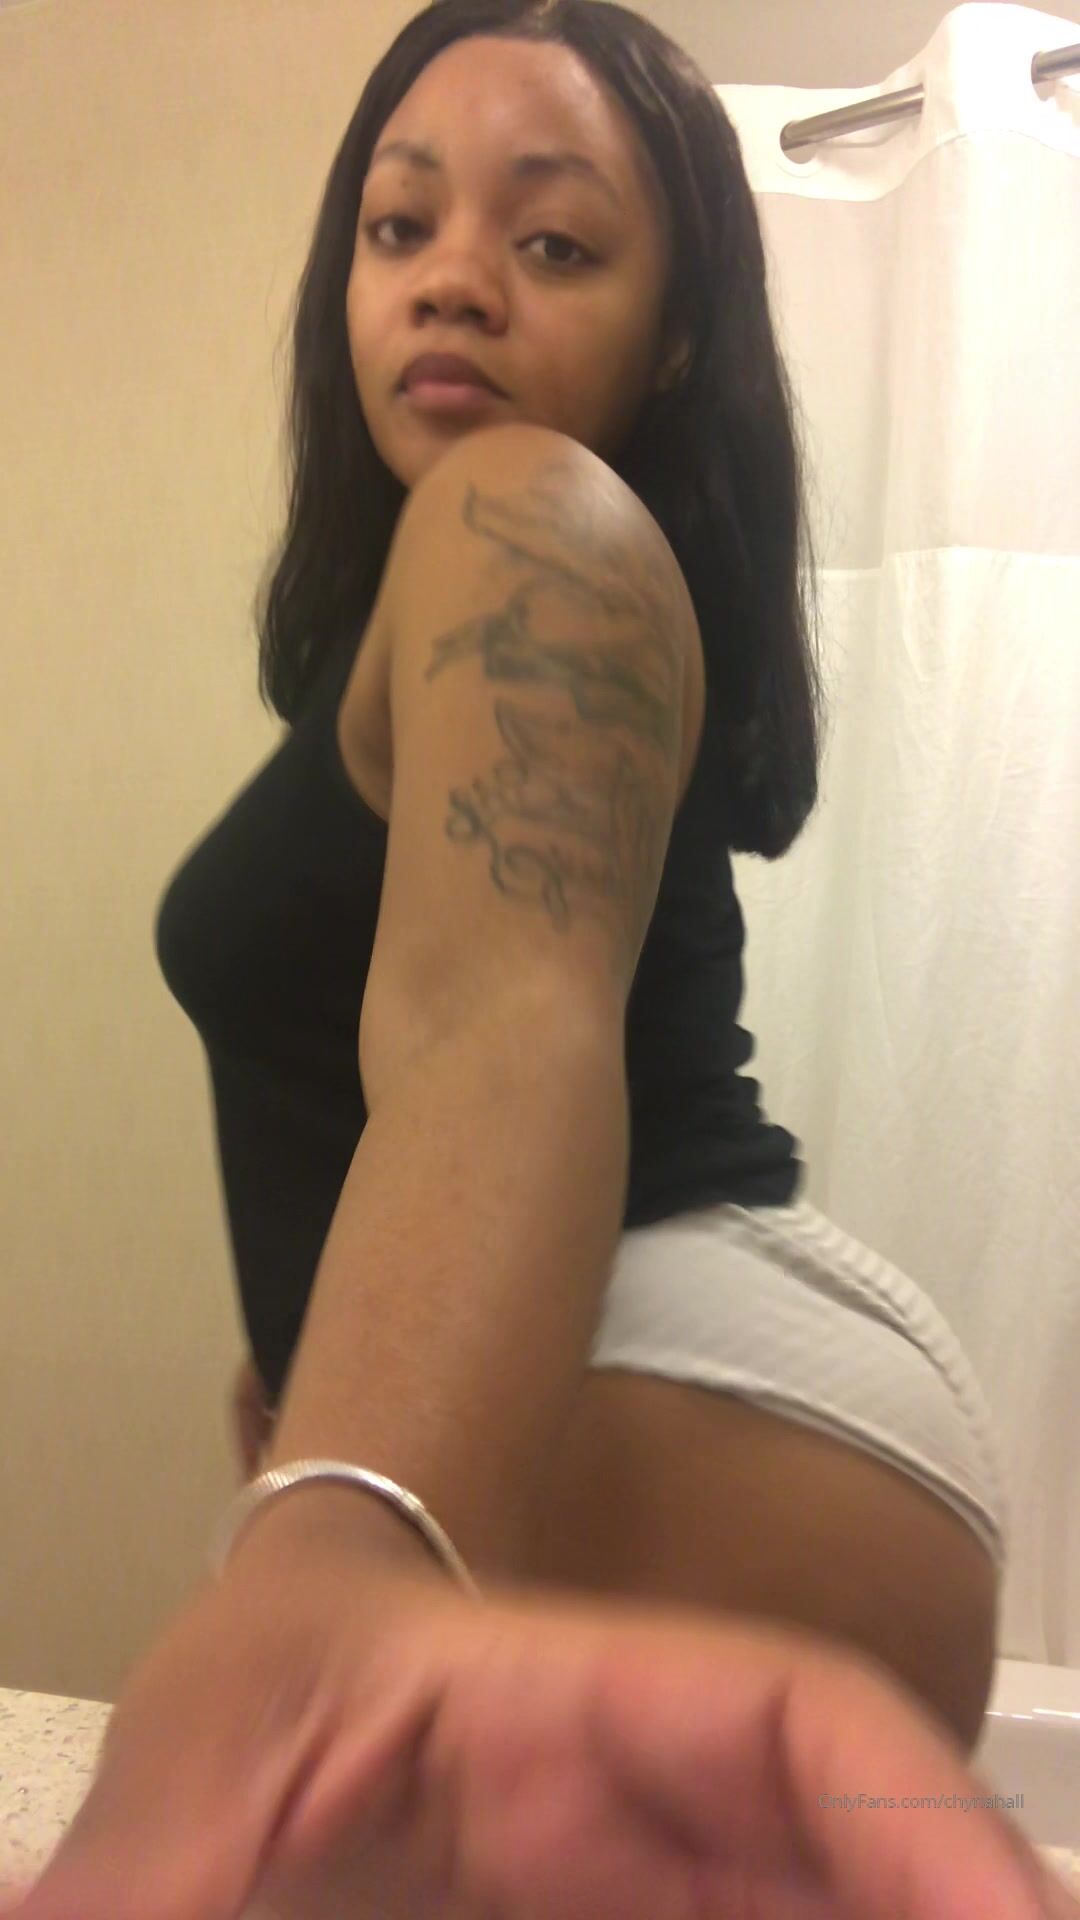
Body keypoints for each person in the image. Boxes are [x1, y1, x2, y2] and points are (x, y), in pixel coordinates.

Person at [12, 4, 1076, 1917]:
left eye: (556, 239)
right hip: (676, 1397)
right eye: (398, 225)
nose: (454, 280)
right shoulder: (443, 587)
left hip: (660, 1370)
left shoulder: (531, 517)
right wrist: (322, 1381)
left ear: (673, 335)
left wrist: (336, 1541)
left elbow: (496, 1026)